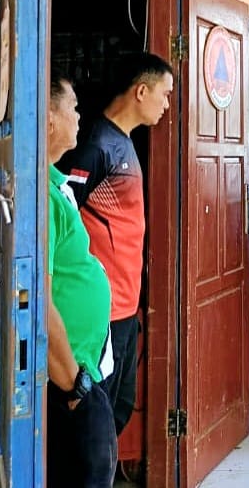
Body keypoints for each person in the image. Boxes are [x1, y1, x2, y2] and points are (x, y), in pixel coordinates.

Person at [60, 52, 174, 436]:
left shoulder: (124, 142)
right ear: (141, 91)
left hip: (125, 306)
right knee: (96, 419)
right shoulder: (97, 145)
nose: (167, 104)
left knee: (118, 409)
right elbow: (63, 221)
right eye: (164, 93)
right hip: (101, 311)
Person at [47, 75, 117, 488]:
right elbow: (37, 299)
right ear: (49, 119)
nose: (79, 116)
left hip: (81, 372)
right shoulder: (40, 197)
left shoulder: (56, 186)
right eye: (72, 107)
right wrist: (74, 385)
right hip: (67, 380)